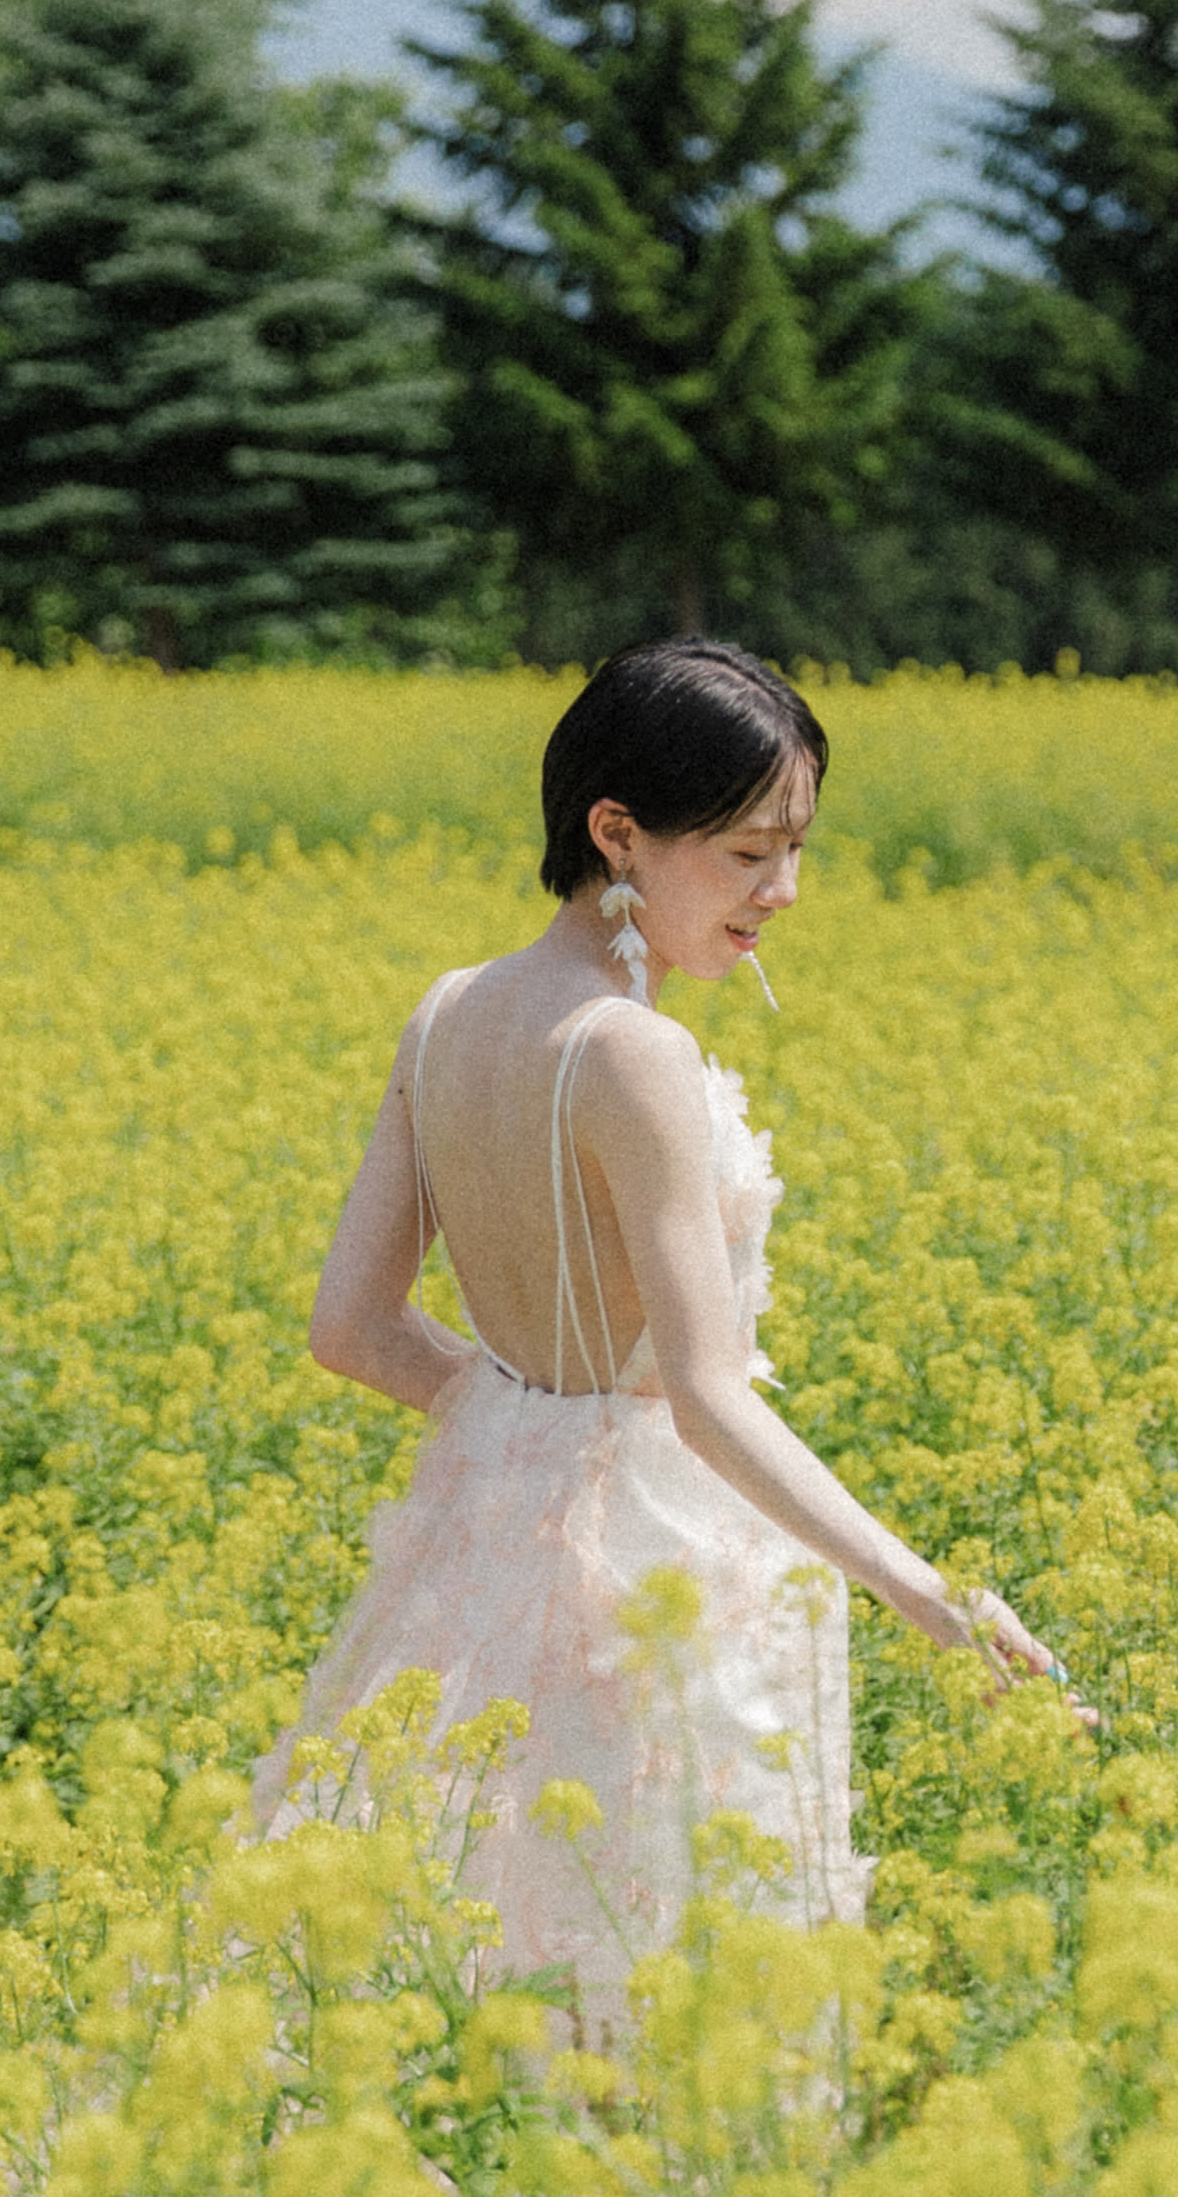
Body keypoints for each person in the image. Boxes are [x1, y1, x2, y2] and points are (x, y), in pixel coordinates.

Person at [251, 639, 1067, 2033]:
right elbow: (703, 1394)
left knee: (464, 1940)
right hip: (654, 1573)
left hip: (480, 1542)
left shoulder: (447, 1013)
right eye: (748, 851)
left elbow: (350, 1326)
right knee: (655, 1973)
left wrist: (522, 1428)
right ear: (616, 831)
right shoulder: (631, 1052)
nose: (782, 890)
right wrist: (933, 1599)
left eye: (796, 848)